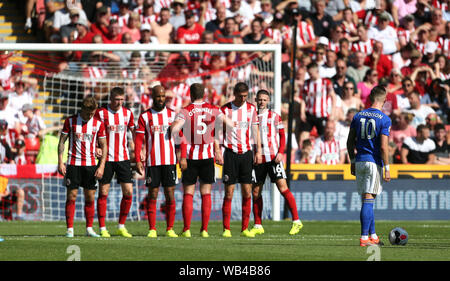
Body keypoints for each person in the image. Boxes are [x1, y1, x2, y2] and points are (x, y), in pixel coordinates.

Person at [170, 83, 225, 238]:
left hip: (189, 157)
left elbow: (174, 129)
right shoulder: (214, 109)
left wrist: (174, 129)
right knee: (206, 193)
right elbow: (228, 124)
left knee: (189, 192)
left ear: (191, 94)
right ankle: (204, 230)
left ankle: (186, 229)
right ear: (204, 94)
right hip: (207, 156)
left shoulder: (185, 111)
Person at [250, 89, 303, 236]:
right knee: (256, 192)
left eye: (265, 100)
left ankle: (296, 221)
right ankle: (258, 225)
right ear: (256, 100)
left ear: (268, 101)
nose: (262, 102)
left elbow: (282, 136)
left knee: (283, 188)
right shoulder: (251, 117)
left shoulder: (274, 117)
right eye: (260, 99)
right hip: (258, 159)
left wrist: (281, 152)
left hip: (273, 158)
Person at [347, 85, 391, 247]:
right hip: (373, 162)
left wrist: (352, 161)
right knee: (369, 199)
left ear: (371, 98)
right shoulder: (385, 119)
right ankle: (364, 238)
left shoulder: (358, 116)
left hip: (359, 160)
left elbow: (350, 141)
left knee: (367, 199)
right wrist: (387, 168)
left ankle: (373, 236)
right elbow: (383, 147)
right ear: (384, 99)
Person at [58, 96, 107, 238]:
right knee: (71, 196)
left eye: (92, 113)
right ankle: (70, 230)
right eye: (87, 113)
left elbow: (104, 146)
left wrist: (101, 166)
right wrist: (60, 162)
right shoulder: (71, 121)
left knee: (90, 197)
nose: (90, 116)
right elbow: (62, 142)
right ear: (82, 109)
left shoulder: (98, 124)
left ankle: (89, 229)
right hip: (73, 164)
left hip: (91, 165)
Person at [134, 85, 179, 238]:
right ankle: (152, 229)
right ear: (152, 97)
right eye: (158, 96)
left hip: (170, 161)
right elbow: (139, 138)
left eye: (162, 96)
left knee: (170, 194)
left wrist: (183, 156)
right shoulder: (145, 116)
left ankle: (170, 228)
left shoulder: (173, 115)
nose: (160, 99)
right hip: (152, 161)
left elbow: (181, 138)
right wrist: (138, 157)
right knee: (152, 194)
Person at [220, 82, 262, 238]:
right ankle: (226, 229)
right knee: (229, 193)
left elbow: (255, 131)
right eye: (240, 96)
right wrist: (218, 150)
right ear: (235, 94)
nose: (243, 99)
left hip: (246, 154)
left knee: (247, 192)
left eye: (245, 96)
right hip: (230, 154)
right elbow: (218, 132)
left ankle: (244, 228)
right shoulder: (225, 110)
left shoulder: (251, 109)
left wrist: (259, 151)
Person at [94, 87, 135, 238]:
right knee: (103, 192)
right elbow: (93, 130)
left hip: (123, 158)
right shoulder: (101, 113)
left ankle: (121, 226)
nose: (119, 102)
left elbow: (134, 130)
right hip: (106, 159)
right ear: (110, 99)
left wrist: (137, 147)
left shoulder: (128, 113)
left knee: (128, 192)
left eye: (121, 100)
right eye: (116, 99)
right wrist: (96, 147)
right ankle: (103, 228)